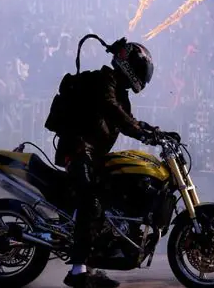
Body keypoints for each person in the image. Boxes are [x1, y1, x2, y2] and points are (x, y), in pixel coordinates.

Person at [44, 37, 161, 288]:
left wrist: (155, 133)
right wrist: (140, 131)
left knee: (109, 201)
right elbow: (112, 110)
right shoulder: (103, 80)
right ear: (129, 65)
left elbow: (128, 121)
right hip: (77, 149)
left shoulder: (121, 92)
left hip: (94, 154)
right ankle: (77, 271)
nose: (143, 76)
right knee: (91, 200)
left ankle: (94, 264)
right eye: (140, 69)